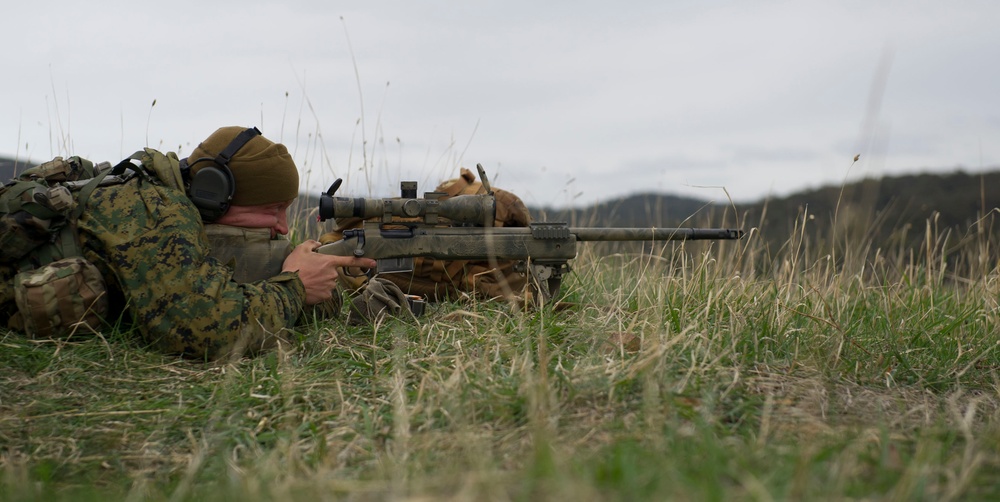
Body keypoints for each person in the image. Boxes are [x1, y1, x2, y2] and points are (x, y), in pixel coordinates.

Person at [6, 126, 376, 360]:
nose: (282, 226)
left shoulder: (168, 197)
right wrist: (294, 287)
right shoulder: (157, 211)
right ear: (216, 193)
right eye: (273, 210)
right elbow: (206, 332)